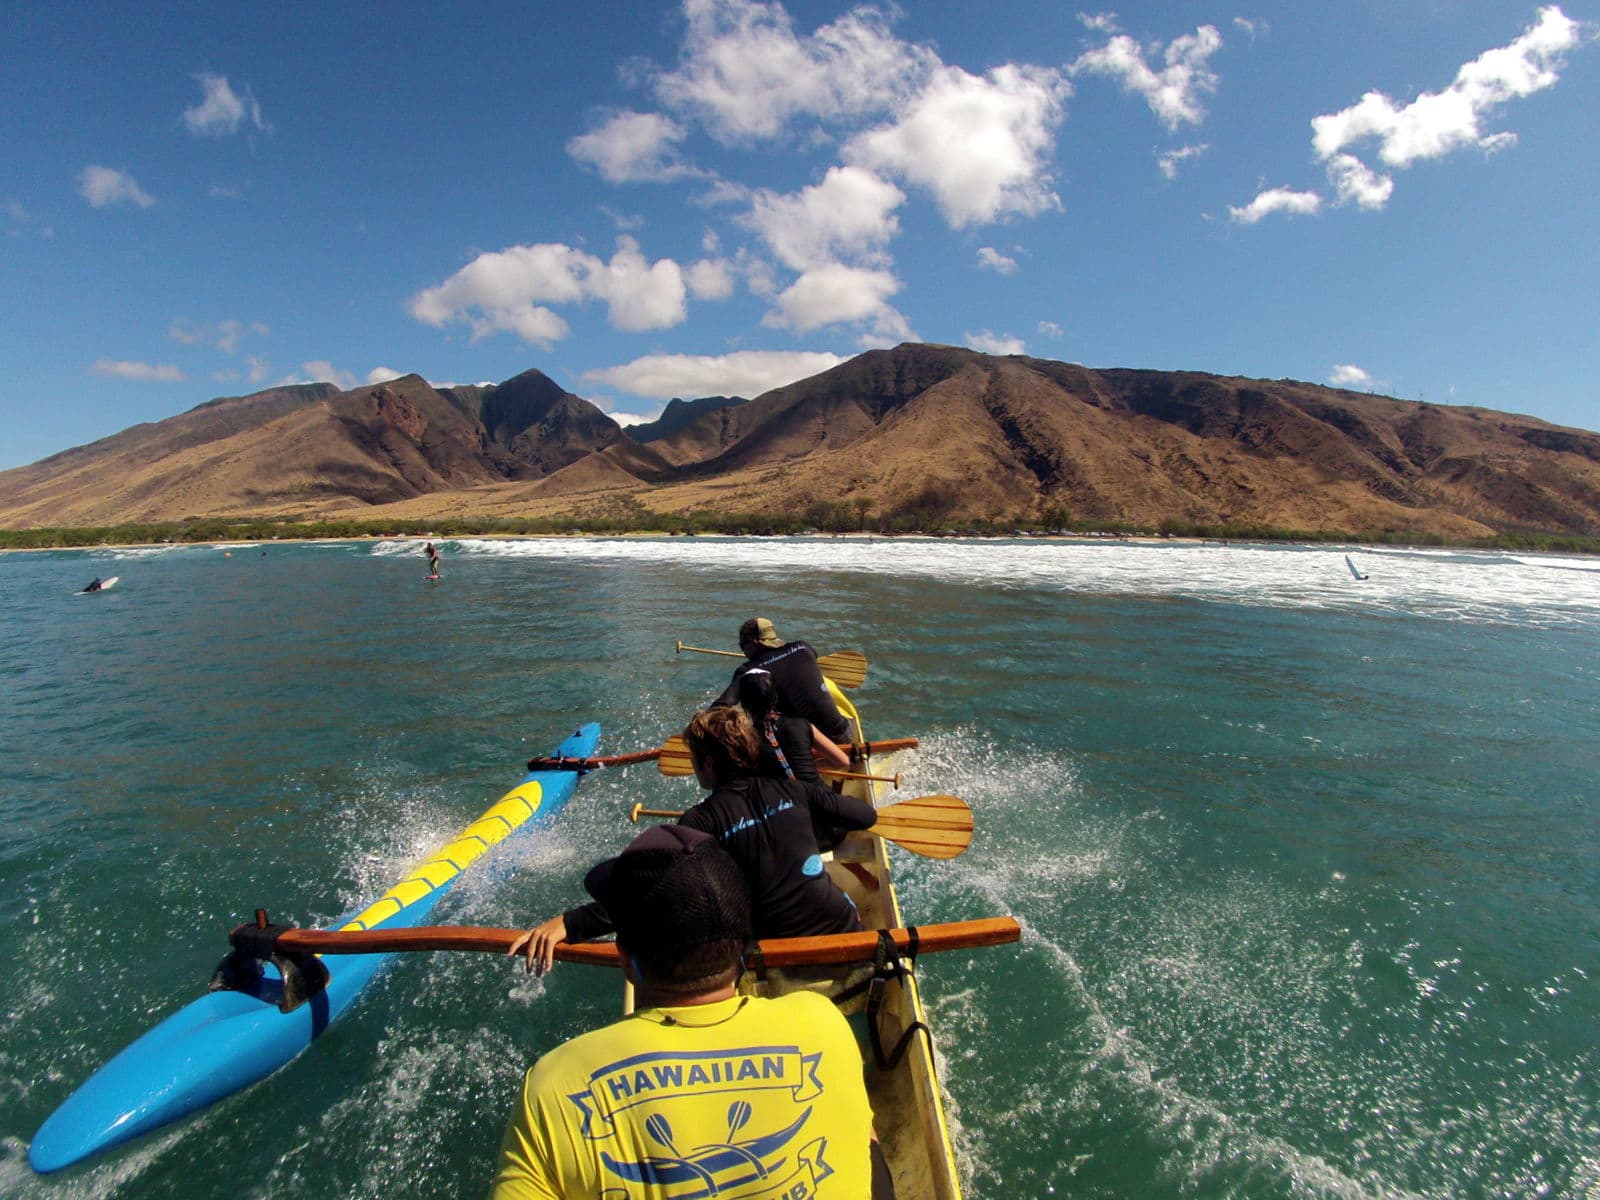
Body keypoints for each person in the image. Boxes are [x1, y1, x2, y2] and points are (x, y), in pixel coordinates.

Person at [491, 824, 892, 1199]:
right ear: (744, 948)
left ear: (625, 959)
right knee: (866, 1132)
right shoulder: (822, 1023)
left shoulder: (552, 1086)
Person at [514, 706, 877, 977]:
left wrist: (570, 923)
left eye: (693, 759)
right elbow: (864, 817)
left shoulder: (699, 823)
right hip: (846, 928)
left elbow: (651, 893)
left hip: (776, 953)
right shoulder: (793, 789)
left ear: (708, 764)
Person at [711, 618, 851, 743]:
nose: (744, 652)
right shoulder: (804, 648)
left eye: (742, 646)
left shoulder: (749, 670)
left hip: (809, 741)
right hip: (843, 732)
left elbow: (722, 705)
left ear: (754, 643)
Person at [738, 668, 850, 784]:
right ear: (775, 697)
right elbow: (842, 762)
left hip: (779, 794)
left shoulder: (746, 740)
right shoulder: (802, 725)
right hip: (816, 791)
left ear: (744, 703)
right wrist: (809, 767)